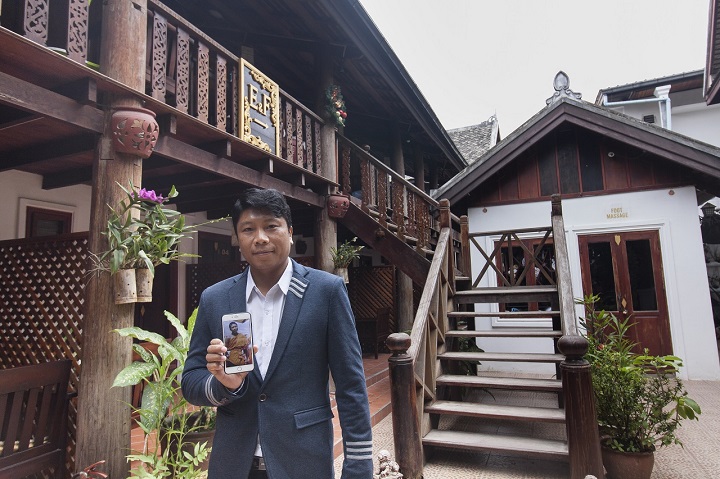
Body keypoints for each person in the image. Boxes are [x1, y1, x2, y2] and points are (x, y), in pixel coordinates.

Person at [182, 188, 373, 479]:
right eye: (248, 229)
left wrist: (358, 468)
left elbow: (351, 387)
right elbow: (191, 382)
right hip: (233, 464)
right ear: (236, 238)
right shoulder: (216, 298)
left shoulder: (326, 292)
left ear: (290, 232)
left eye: (271, 226)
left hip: (303, 461)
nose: (260, 238)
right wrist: (226, 386)